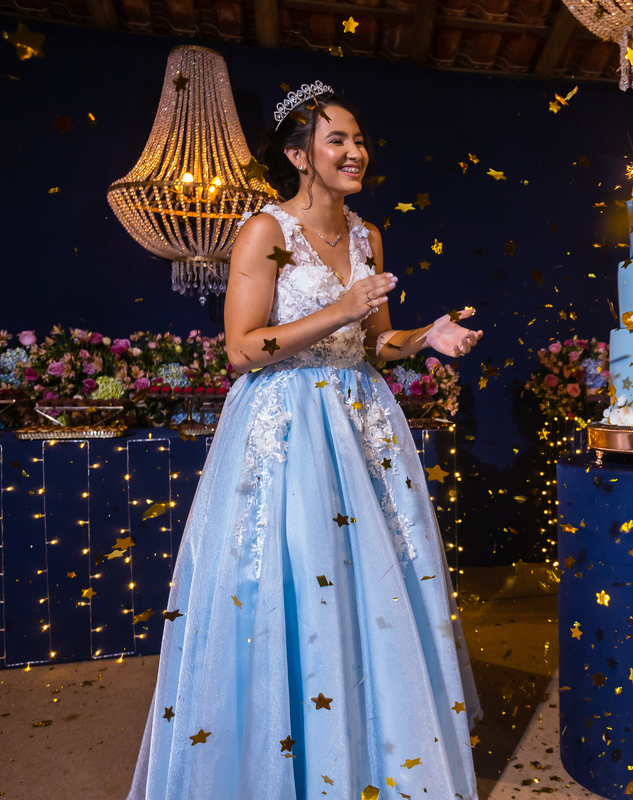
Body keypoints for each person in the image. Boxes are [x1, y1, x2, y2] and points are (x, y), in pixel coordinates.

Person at [127, 85, 484, 799]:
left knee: (369, 585)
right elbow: (240, 348)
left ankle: (371, 758)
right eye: (337, 141)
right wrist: (337, 309)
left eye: (358, 140)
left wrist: (425, 337)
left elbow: (376, 342)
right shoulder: (265, 231)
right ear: (298, 155)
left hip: (362, 424)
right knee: (286, 582)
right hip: (285, 425)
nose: (355, 152)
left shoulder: (367, 236)